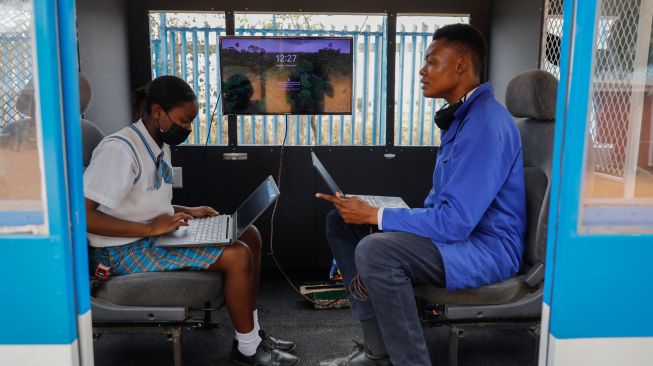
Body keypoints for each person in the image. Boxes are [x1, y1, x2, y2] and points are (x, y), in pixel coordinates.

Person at [316, 24, 526, 366]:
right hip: (460, 237)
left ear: (460, 65)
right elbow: (446, 207)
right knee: (340, 223)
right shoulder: (463, 118)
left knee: (376, 250)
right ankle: (378, 350)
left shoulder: (486, 125)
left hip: (486, 249)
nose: (422, 70)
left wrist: (377, 216)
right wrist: (379, 215)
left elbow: (455, 223)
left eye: (431, 61)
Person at [84, 75, 299, 366]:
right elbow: (82, 216)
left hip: (150, 235)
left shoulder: (157, 143)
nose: (187, 128)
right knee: (237, 256)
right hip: (121, 250)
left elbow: (139, 200)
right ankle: (247, 348)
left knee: (250, 235)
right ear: (158, 111)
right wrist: (150, 228)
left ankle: (254, 333)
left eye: (191, 121)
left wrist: (188, 209)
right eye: (184, 121)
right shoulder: (120, 150)